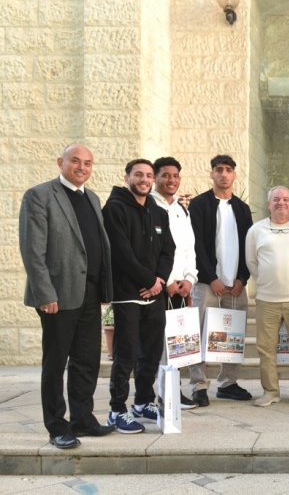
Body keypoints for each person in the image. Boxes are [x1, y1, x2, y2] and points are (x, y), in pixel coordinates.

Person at [19, 144, 116, 449]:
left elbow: (97, 246)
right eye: (75, 161)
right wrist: (45, 293)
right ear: (61, 162)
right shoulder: (40, 195)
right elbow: (32, 251)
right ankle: (57, 427)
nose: (82, 167)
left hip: (89, 293)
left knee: (86, 361)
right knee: (56, 362)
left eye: (88, 163)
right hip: (57, 296)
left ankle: (82, 420)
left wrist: (104, 288)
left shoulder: (92, 198)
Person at [103, 159, 175, 434]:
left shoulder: (158, 212)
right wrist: (148, 281)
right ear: (127, 178)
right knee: (126, 356)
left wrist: (159, 281)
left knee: (152, 354)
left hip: (154, 296)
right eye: (138, 175)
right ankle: (116, 411)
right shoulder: (114, 209)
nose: (144, 179)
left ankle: (143, 402)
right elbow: (121, 253)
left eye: (148, 175)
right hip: (127, 296)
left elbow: (168, 250)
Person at [188, 154, 254, 405]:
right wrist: (211, 277)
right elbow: (195, 245)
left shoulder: (242, 208)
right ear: (212, 174)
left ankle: (228, 383)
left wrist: (242, 279)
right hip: (207, 284)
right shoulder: (199, 204)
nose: (223, 174)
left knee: (233, 335)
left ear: (235, 175)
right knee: (199, 334)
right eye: (219, 169)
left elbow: (249, 246)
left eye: (228, 170)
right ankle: (199, 385)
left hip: (235, 286)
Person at [246, 186, 289, 407]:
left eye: (286, 199)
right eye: (276, 199)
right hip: (267, 300)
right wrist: (267, 281)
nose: (281, 203)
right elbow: (251, 262)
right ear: (268, 204)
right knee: (266, 350)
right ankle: (270, 391)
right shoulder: (256, 230)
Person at [150, 157, 199, 410]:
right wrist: (167, 280)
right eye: (166, 175)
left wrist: (190, 279)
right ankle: (160, 395)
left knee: (178, 346)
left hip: (181, 288)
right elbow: (152, 250)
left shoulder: (181, 209)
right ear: (156, 177)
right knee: (157, 346)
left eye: (176, 175)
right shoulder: (148, 204)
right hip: (159, 287)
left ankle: (173, 392)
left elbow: (189, 248)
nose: (172, 180)